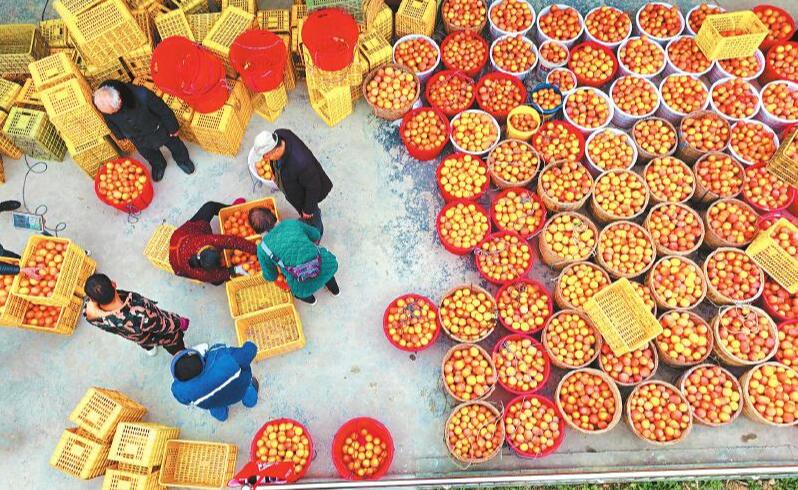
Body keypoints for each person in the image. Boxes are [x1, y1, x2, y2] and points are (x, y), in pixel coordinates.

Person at [93, 81, 194, 182]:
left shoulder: (142, 95)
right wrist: (119, 134)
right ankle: (159, 165)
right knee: (149, 154)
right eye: (108, 113)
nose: (111, 114)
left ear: (119, 101)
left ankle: (183, 160)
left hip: (157, 128)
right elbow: (109, 121)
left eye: (113, 112)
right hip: (137, 137)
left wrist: (173, 127)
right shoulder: (105, 105)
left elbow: (163, 110)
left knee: (175, 144)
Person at [247, 130, 333, 237]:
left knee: (312, 216)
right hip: (294, 189)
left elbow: (314, 187)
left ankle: (317, 234)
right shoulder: (279, 134)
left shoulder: (301, 163)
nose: (264, 159)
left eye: (266, 156)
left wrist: (308, 210)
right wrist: (276, 174)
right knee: (302, 209)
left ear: (275, 150)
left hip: (306, 196)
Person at [83, 273, 189, 356]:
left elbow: (89, 310)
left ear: (93, 300)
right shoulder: (140, 314)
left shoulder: (93, 316)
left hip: (137, 337)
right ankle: (183, 355)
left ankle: (150, 349)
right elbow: (162, 325)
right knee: (174, 342)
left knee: (142, 338)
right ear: (114, 284)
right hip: (158, 334)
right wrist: (180, 323)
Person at [249, 207, 339, 305]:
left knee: (299, 293)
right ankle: (336, 291)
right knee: (327, 274)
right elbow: (316, 235)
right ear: (273, 215)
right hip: (324, 265)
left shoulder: (263, 248)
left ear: (256, 231)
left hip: (301, 283)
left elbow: (271, 276)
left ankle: (312, 301)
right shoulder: (290, 223)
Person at [169, 200, 257, 285]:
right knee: (217, 281)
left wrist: (256, 250)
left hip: (185, 235)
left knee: (210, 206)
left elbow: (232, 241)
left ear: (210, 247)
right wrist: (235, 270)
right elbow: (220, 274)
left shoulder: (206, 241)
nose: (222, 260)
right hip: (178, 262)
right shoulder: (202, 274)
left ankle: (231, 208)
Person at [170, 341, 259, 422]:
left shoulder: (180, 390)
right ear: (201, 359)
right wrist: (249, 345)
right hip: (239, 389)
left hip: (213, 403)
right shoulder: (223, 358)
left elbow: (184, 400)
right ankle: (250, 402)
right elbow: (249, 351)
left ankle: (222, 416)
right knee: (247, 390)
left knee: (215, 407)